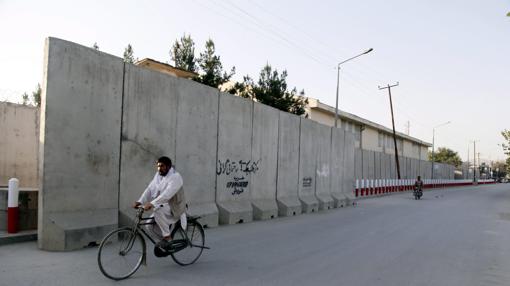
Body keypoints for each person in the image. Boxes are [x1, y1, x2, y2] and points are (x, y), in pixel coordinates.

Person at [133, 156, 186, 250]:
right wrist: (140, 201)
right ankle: (166, 243)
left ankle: (167, 237)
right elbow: (150, 189)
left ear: (168, 166)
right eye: (158, 166)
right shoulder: (158, 176)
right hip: (163, 204)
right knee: (149, 225)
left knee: (157, 210)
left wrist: (152, 203)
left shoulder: (175, 177)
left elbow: (167, 195)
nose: (159, 168)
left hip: (175, 206)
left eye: (162, 166)